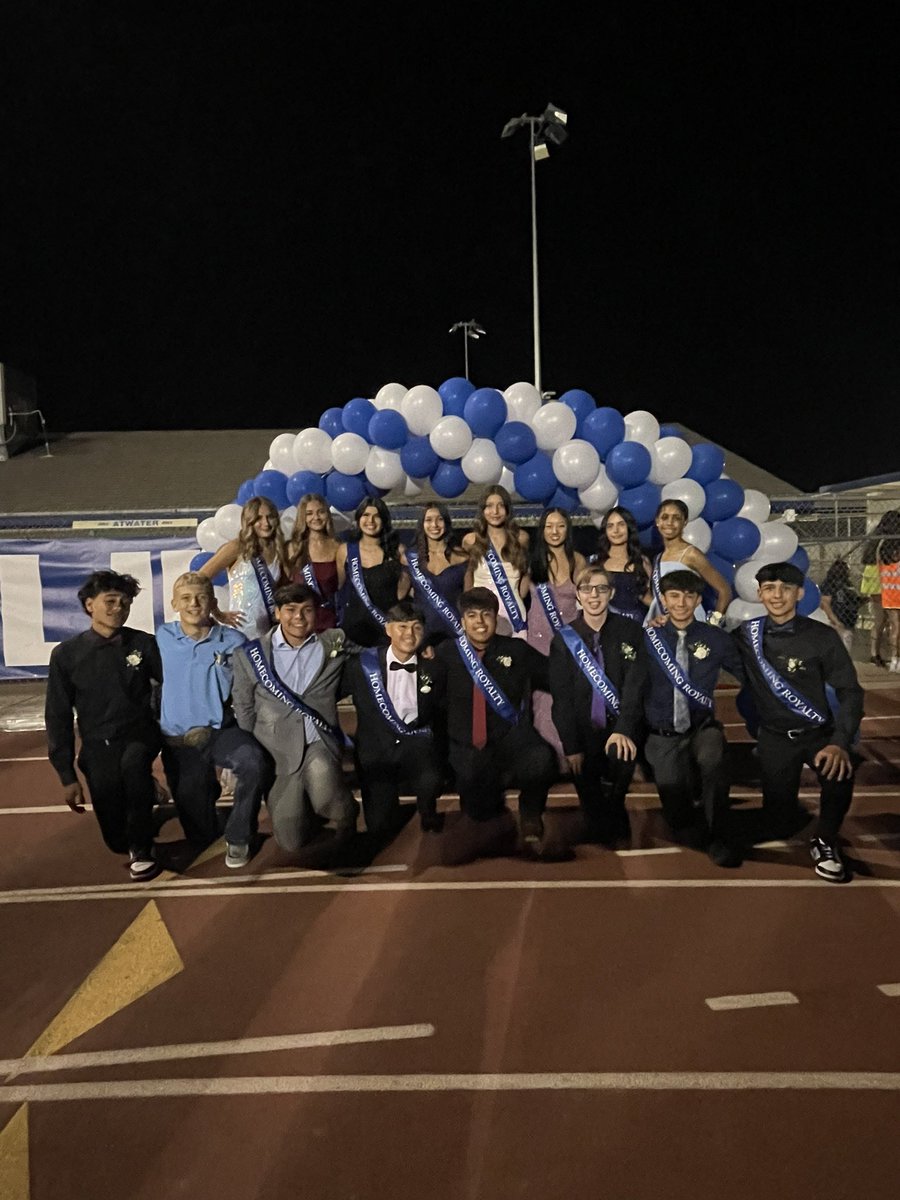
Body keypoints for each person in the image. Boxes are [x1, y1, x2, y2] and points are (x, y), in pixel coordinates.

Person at [735, 561, 864, 882]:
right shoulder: (746, 635)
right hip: (775, 737)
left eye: (785, 589)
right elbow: (708, 633)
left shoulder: (821, 637)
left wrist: (840, 742)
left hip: (818, 733)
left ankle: (826, 839)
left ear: (800, 593)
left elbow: (850, 690)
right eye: (769, 589)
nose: (777, 595)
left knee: (840, 772)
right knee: (779, 818)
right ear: (759, 594)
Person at [45, 571, 163, 881]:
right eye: (109, 601)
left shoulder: (145, 644)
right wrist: (66, 775)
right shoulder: (66, 655)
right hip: (98, 743)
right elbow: (57, 715)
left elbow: (172, 686)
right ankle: (131, 831)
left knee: (134, 767)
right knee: (114, 840)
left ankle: (143, 848)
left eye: (124, 602)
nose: (118, 608)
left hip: (140, 736)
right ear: (88, 605)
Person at [231, 582, 358, 852]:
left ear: (316, 614)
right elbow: (243, 708)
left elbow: (372, 656)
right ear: (277, 613)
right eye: (290, 610)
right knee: (291, 842)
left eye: (307, 610)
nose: (299, 617)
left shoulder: (333, 641)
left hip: (318, 742)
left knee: (327, 799)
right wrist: (250, 752)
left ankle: (347, 813)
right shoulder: (249, 655)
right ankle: (306, 809)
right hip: (276, 752)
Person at [156, 572, 270, 868]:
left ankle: (239, 835)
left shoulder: (234, 640)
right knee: (200, 835)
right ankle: (206, 796)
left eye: (201, 597)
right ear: (174, 603)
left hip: (221, 731)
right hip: (179, 739)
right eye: (186, 598)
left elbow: (249, 689)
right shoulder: (161, 638)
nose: (194, 604)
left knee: (252, 762)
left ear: (213, 602)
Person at [433, 587, 556, 855]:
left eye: (486, 615)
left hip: (511, 738)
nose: (480, 622)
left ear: (495, 617)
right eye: (472, 615)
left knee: (541, 759)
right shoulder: (445, 654)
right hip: (468, 746)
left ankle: (531, 813)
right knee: (480, 812)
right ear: (462, 621)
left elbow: (555, 676)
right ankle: (489, 794)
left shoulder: (517, 650)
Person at [642, 570, 745, 866]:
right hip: (663, 732)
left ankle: (719, 836)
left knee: (713, 756)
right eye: (674, 596)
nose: (682, 603)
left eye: (689, 596)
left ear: (698, 600)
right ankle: (690, 800)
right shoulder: (650, 637)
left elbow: (746, 673)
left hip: (702, 727)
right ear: (663, 600)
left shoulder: (715, 638)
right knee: (678, 818)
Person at [548, 565, 647, 844]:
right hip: (582, 732)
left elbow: (635, 689)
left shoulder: (632, 632)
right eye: (587, 589)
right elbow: (561, 700)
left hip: (620, 727)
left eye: (601, 589)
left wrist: (625, 729)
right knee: (593, 811)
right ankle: (598, 813)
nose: (594, 596)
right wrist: (572, 746)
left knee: (621, 761)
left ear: (611, 593)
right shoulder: (564, 639)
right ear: (578, 595)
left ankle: (616, 807)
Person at [342, 600, 445, 835]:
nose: (409, 634)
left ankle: (427, 808)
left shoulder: (434, 666)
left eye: (416, 628)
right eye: (402, 627)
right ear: (388, 629)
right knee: (379, 826)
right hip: (376, 748)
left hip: (416, 744)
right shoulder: (360, 667)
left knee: (432, 779)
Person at [526, 507, 587, 769]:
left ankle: (570, 758)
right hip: (537, 643)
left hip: (566, 643)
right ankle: (550, 762)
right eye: (549, 526)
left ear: (567, 529)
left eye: (560, 526)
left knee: (566, 699)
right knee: (542, 701)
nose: (554, 531)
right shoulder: (533, 560)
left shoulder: (578, 561)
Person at [199, 496, 287, 638]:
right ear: (249, 521)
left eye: (269, 517)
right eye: (258, 518)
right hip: (238, 632)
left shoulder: (278, 551)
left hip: (266, 633)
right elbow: (200, 578)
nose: (265, 523)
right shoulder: (237, 547)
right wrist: (217, 613)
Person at [336, 496, 410, 647]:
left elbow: (403, 591)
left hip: (386, 629)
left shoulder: (398, 551)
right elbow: (338, 589)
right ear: (358, 519)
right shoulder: (345, 551)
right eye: (366, 515)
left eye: (377, 516)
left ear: (384, 521)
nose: (371, 521)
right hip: (353, 631)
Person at [646, 499, 731, 626]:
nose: (669, 522)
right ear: (657, 521)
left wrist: (714, 625)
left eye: (676, 518)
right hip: (665, 625)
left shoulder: (691, 554)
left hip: (692, 624)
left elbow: (724, 590)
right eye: (664, 517)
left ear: (684, 522)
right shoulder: (658, 558)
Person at [462, 485, 530, 638]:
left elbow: (526, 574)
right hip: (481, 614)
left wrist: (517, 598)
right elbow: (468, 576)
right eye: (490, 506)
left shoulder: (521, 538)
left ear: (507, 510)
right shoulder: (471, 540)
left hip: (514, 613)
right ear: (482, 510)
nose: (495, 512)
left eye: (500, 506)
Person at [402, 502, 469, 648]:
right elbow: (400, 596)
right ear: (422, 524)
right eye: (429, 520)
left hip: (457, 634)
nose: (435, 525)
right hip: (422, 636)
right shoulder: (410, 557)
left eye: (439, 519)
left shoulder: (463, 557)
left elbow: (469, 599)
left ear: (446, 523)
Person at [285, 492, 341, 632]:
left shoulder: (338, 547)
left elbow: (342, 587)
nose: (316, 517)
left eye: (321, 512)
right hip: (298, 622)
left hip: (329, 621)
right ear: (302, 517)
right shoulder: (292, 548)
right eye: (309, 513)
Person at [594, 506, 652, 624]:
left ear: (629, 528)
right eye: (610, 526)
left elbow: (649, 598)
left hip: (636, 627)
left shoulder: (642, 562)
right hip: (605, 627)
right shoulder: (595, 562)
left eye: (621, 524)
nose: (616, 530)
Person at [819, 558, 861, 656]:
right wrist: (835, 621)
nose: (846, 572)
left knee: (846, 646)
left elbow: (853, 602)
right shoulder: (829, 583)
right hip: (834, 621)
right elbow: (825, 604)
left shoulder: (848, 584)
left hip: (848, 620)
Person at [876, 511, 900, 671]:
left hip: (889, 592)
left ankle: (894, 660)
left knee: (894, 626)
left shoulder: (881, 546)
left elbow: (879, 569)